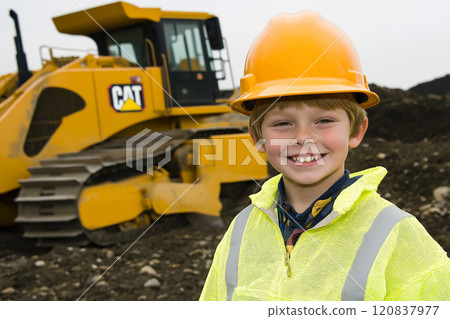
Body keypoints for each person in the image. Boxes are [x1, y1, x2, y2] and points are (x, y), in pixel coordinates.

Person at [199, 11, 449, 301]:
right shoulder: (240, 232)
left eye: (324, 121)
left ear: (356, 130)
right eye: (283, 123)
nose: (304, 138)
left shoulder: (397, 234)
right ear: (258, 139)